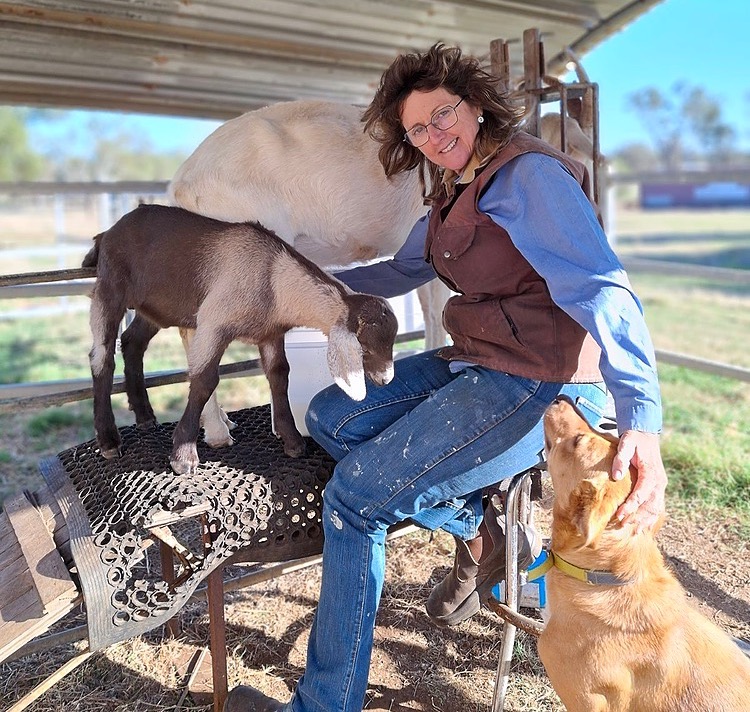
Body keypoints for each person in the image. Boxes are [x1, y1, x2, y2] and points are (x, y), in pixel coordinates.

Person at [224, 43, 668, 712]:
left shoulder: (530, 179)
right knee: (329, 417)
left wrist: (643, 419)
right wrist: (307, 286)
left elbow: (603, 290)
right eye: (418, 130)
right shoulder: (455, 185)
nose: (435, 137)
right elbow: (406, 270)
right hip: (481, 359)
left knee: (356, 497)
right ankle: (479, 530)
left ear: (475, 104)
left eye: (443, 116)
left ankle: (323, 704)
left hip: (542, 385)